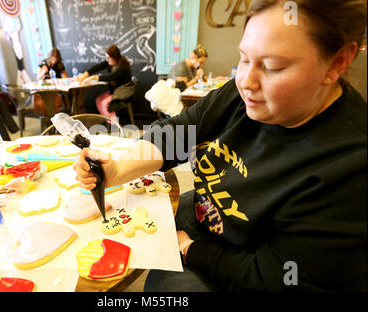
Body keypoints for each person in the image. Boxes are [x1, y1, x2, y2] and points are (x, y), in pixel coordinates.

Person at [73, 0, 367, 291]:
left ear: (337, 63)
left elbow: (271, 277)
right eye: (244, 59)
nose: (246, 81)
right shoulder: (241, 93)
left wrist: (188, 248)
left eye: (274, 67)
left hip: (244, 268)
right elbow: (178, 132)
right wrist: (117, 169)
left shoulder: (350, 166)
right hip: (211, 218)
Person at [78, 45, 132, 118]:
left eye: (109, 57)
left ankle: (114, 126)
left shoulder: (123, 66)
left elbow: (111, 76)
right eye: (106, 57)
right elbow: (97, 67)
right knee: (98, 100)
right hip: (114, 92)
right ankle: (108, 122)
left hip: (122, 93)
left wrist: (93, 77)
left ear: (115, 57)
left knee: (104, 103)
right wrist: (86, 74)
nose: (107, 59)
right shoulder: (111, 62)